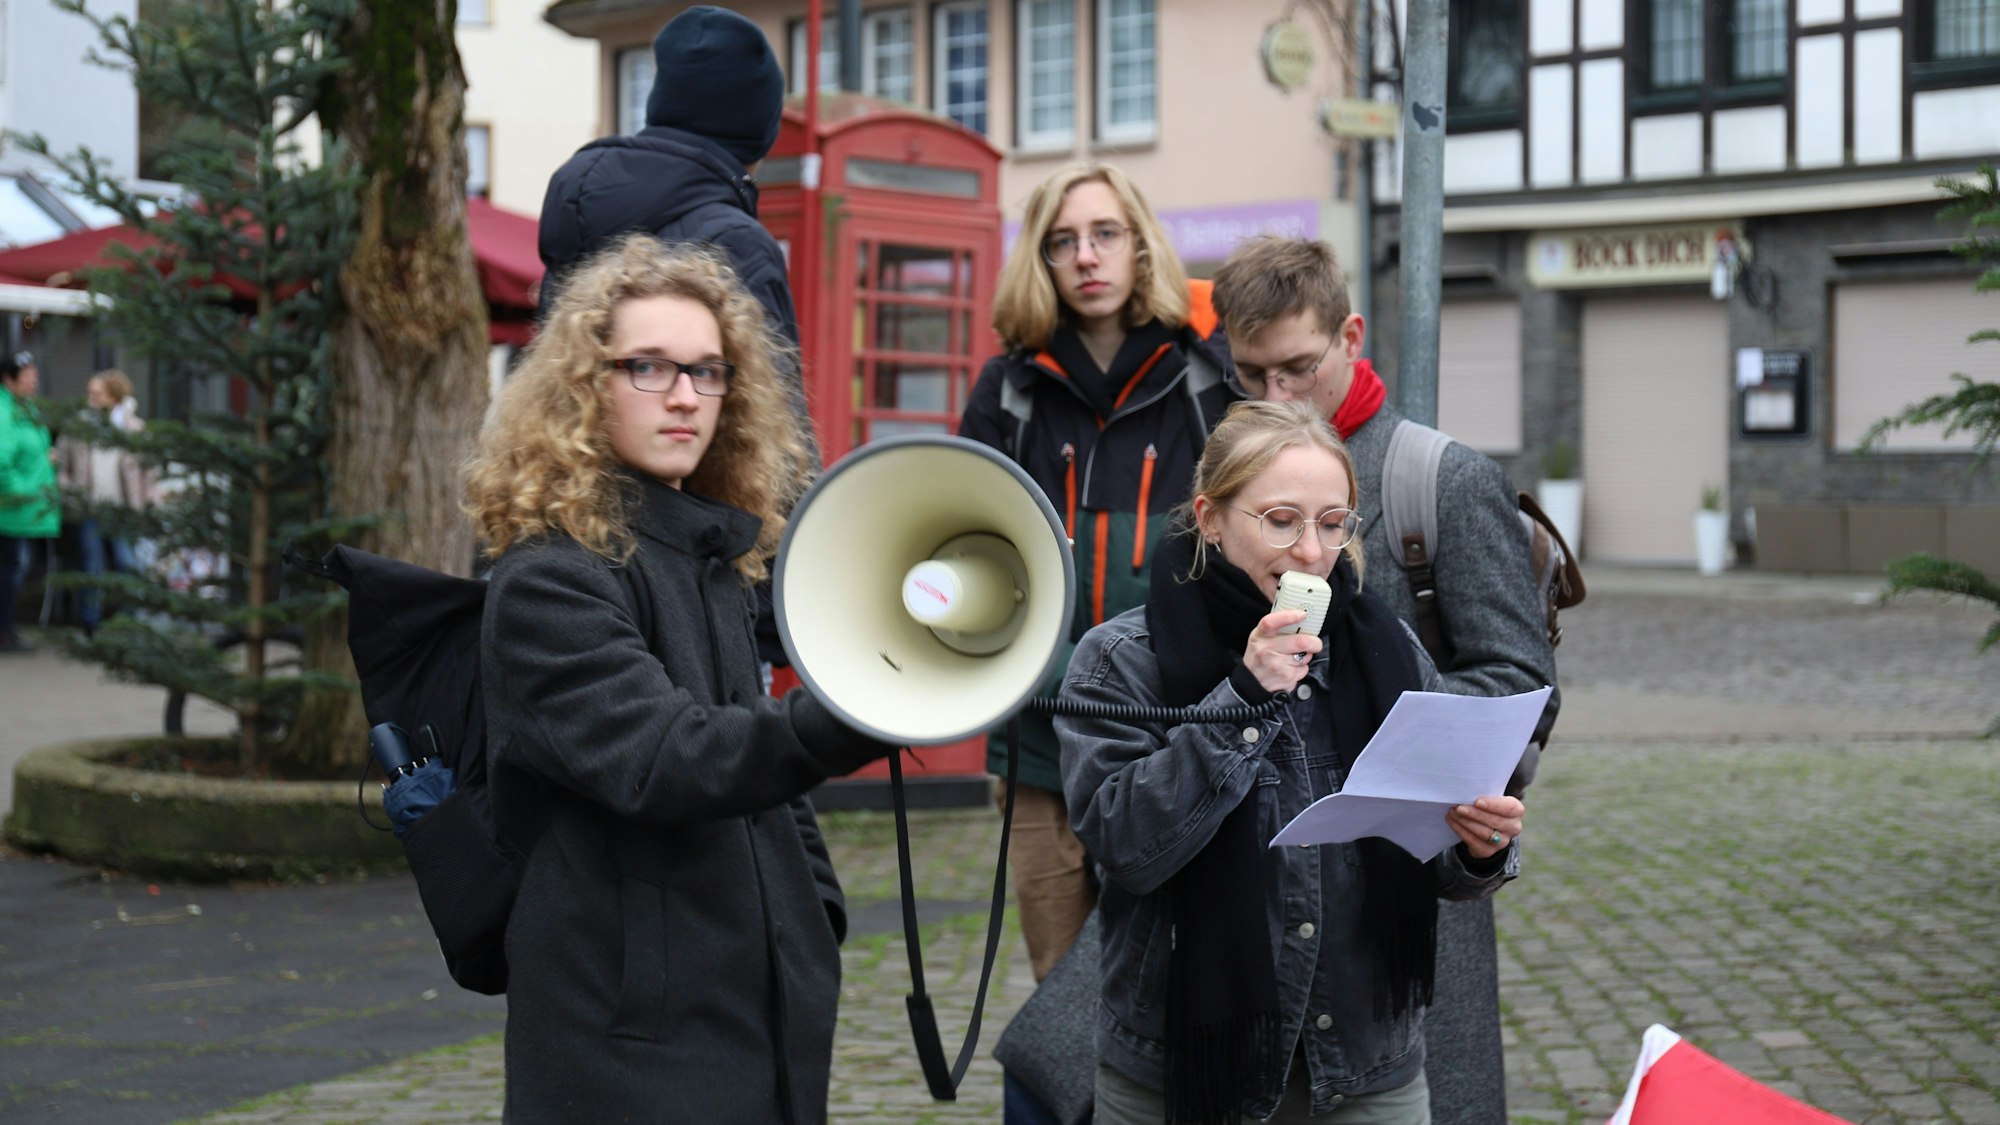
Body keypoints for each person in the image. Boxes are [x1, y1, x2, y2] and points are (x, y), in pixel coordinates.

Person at [464, 234, 896, 1124]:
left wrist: (810, 907)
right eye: (649, 368)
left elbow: (755, 761)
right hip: (628, 1035)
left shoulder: (707, 551)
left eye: (709, 371)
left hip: (747, 1002)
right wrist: (847, 716)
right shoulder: (549, 577)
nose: (687, 397)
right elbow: (665, 756)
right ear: (587, 384)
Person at [1058, 399, 1526, 1124]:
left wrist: (1481, 845)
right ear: (1211, 519)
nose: (1312, 552)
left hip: (1367, 1062)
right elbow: (1125, 847)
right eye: (1281, 520)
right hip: (1184, 1070)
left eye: (1333, 523)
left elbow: (1434, 856)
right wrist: (1242, 697)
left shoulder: (1386, 647)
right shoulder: (1121, 662)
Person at [1211, 236, 1559, 1124]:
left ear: (1351, 338)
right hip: (1252, 883)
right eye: (1249, 373)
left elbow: (1525, 679)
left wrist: (1400, 720)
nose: (1273, 398)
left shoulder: (1437, 476)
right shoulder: (1232, 461)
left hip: (1404, 871)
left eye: (1296, 368)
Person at [957, 162, 1234, 988]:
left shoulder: (1205, 381)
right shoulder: (1006, 394)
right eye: (1062, 241)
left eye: (1105, 233)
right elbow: (967, 557)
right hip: (1038, 747)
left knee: (1170, 982)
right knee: (1064, 988)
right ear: (1038, 262)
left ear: (1140, 247)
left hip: (1173, 739)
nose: (1086, 256)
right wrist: (1048, 675)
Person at [537, 3, 814, 471]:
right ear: (757, 130)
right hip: (699, 516)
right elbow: (776, 424)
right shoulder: (738, 242)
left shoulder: (583, 213)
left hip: (577, 488)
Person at [57, 370, 152, 637]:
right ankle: (91, 624)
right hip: (89, 509)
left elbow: (147, 471)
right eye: (89, 393)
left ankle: (128, 622)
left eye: (97, 393)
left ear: (114, 395)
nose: (91, 398)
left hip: (122, 510)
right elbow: (64, 466)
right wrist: (70, 491)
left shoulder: (133, 429)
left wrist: (145, 505)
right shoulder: (78, 426)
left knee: (128, 564)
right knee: (92, 566)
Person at [0, 353, 59, 653]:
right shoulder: (4, 411)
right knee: (11, 570)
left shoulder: (27, 408)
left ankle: (7, 629)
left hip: (24, 510)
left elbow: (31, 451)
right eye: (27, 376)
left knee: (15, 569)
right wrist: (23, 491)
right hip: (11, 509)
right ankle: (3, 632)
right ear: (8, 380)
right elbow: (1, 462)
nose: (33, 381)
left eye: (35, 374)